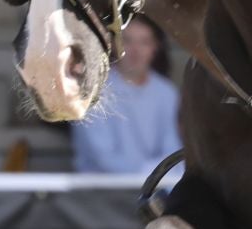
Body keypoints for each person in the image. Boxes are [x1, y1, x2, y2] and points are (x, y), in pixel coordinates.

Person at [70, 18, 182, 178]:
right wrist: (149, 174)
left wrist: (159, 176)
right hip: (103, 190)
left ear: (155, 47)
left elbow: (171, 147)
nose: (136, 50)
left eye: (144, 42)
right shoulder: (93, 90)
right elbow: (101, 156)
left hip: (156, 188)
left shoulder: (167, 92)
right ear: (114, 45)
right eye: (127, 41)